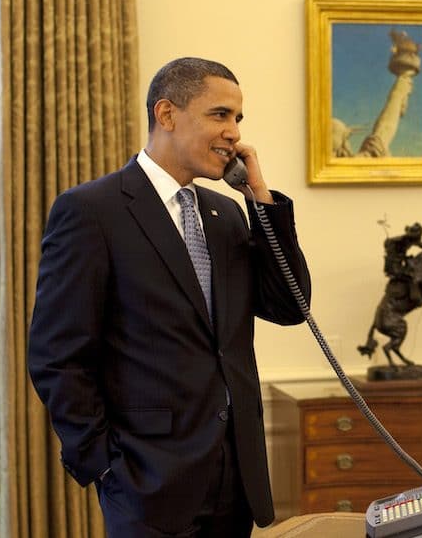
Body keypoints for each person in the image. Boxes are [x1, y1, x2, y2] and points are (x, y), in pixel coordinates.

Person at [27, 57, 311, 537]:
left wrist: (259, 196)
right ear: (167, 114)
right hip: (147, 485)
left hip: (235, 478)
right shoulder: (91, 211)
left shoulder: (226, 213)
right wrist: (104, 467)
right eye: (220, 115)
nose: (234, 134)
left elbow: (290, 306)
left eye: (238, 119)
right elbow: (58, 356)